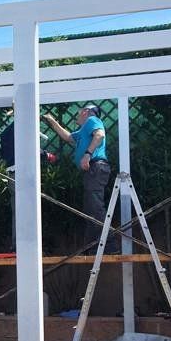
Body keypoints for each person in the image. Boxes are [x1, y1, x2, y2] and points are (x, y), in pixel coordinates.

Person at [44, 104, 115, 250]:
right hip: (93, 170)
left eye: (79, 111)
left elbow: (100, 135)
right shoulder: (84, 131)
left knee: (95, 207)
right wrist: (52, 121)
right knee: (91, 208)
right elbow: (68, 137)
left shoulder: (92, 120)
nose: (77, 114)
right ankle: (95, 246)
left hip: (95, 167)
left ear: (86, 112)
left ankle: (109, 245)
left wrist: (87, 155)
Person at [0, 111, 57, 250]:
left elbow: (4, 153)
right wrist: (47, 155)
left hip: (12, 173)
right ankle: (28, 245)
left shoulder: (7, 131)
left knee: (17, 210)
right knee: (29, 209)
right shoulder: (23, 128)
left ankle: (17, 245)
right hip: (23, 174)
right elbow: (31, 147)